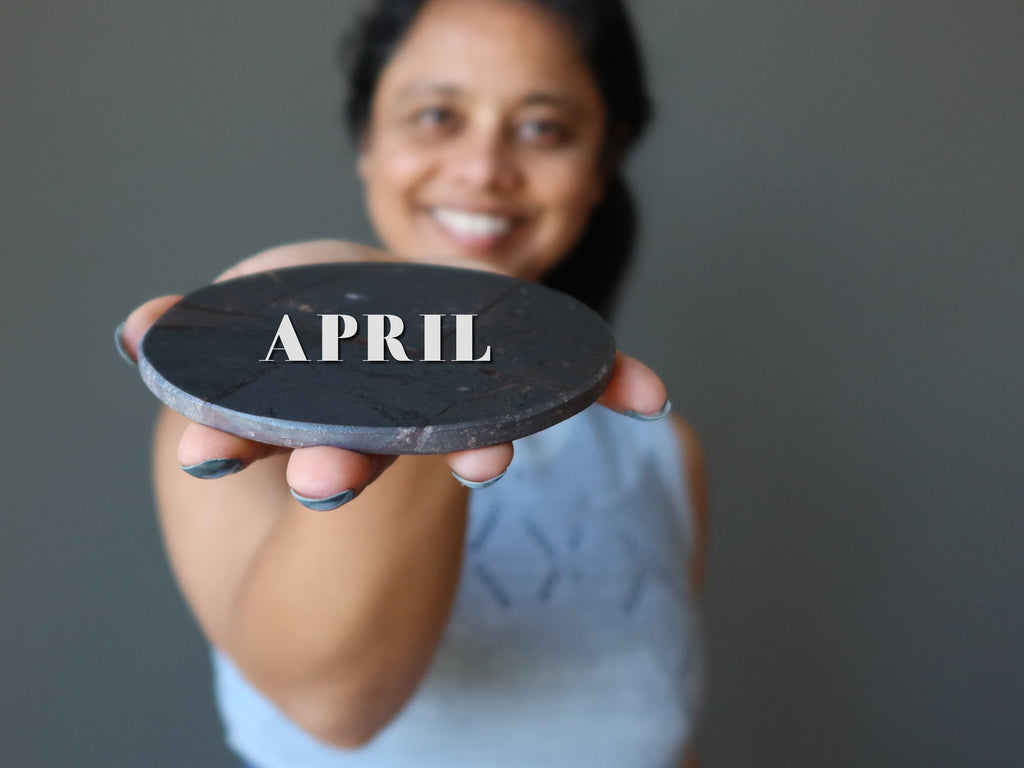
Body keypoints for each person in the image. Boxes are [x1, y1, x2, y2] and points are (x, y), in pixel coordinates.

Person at [116, 0, 709, 765]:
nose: (482, 168)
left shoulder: (663, 453)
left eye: (541, 128)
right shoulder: (245, 427)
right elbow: (339, 707)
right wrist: (403, 336)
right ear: (366, 139)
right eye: (436, 115)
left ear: (601, 163)